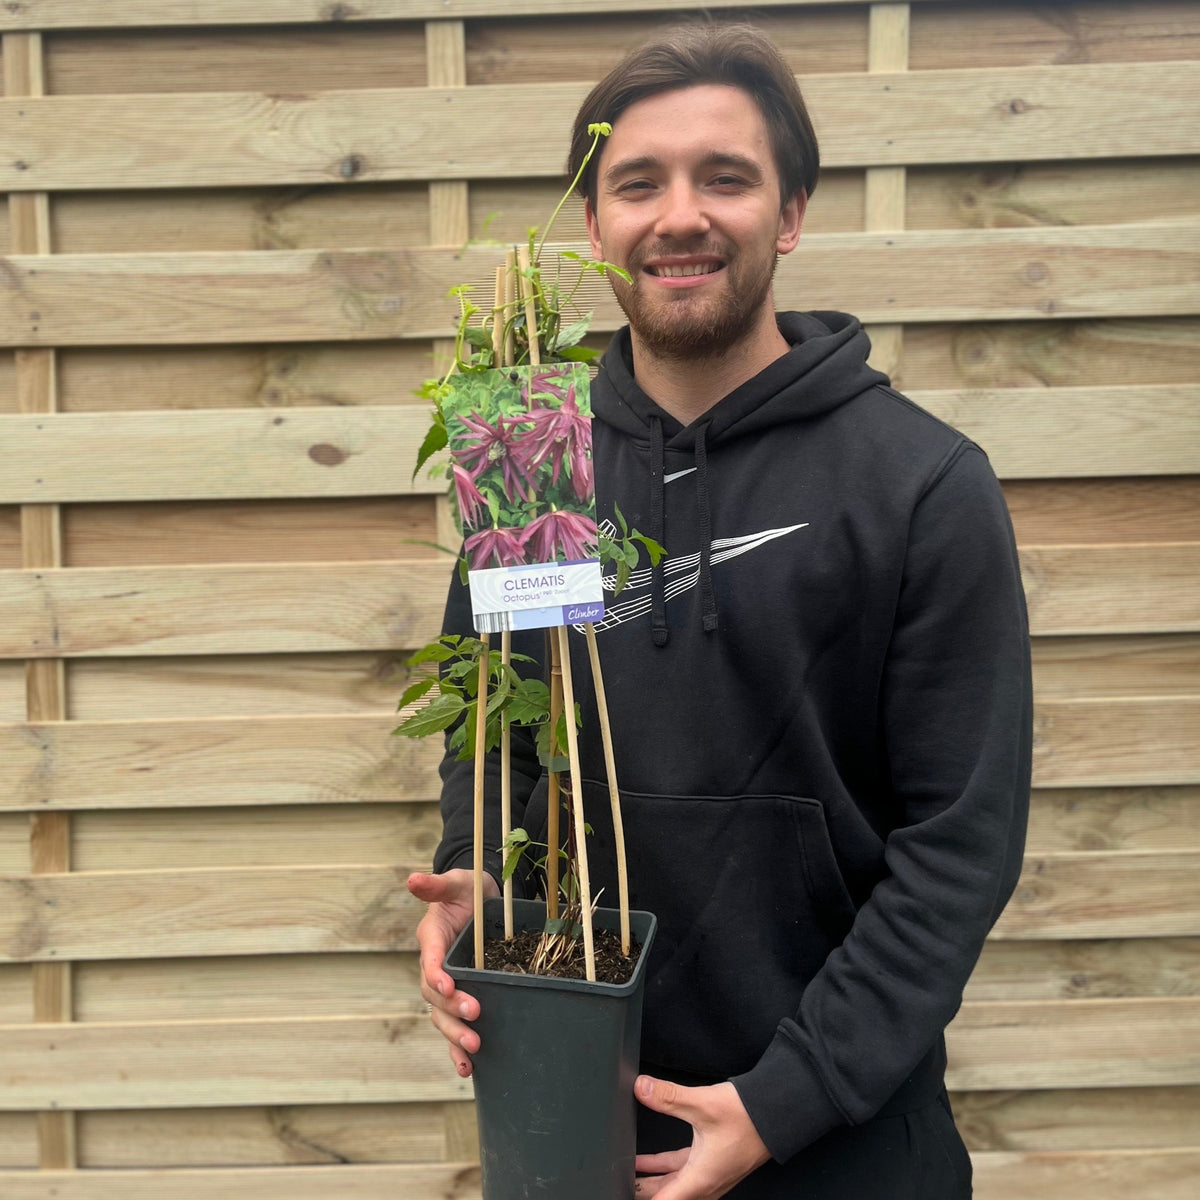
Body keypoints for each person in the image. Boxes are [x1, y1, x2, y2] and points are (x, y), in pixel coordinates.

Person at [407, 22, 1031, 1200]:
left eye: (726, 178)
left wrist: (780, 1102)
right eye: (638, 183)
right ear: (592, 229)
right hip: (576, 1123)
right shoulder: (529, 457)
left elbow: (960, 846)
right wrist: (479, 882)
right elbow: (495, 730)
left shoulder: (921, 485)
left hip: (843, 1144)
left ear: (790, 213)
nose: (679, 216)